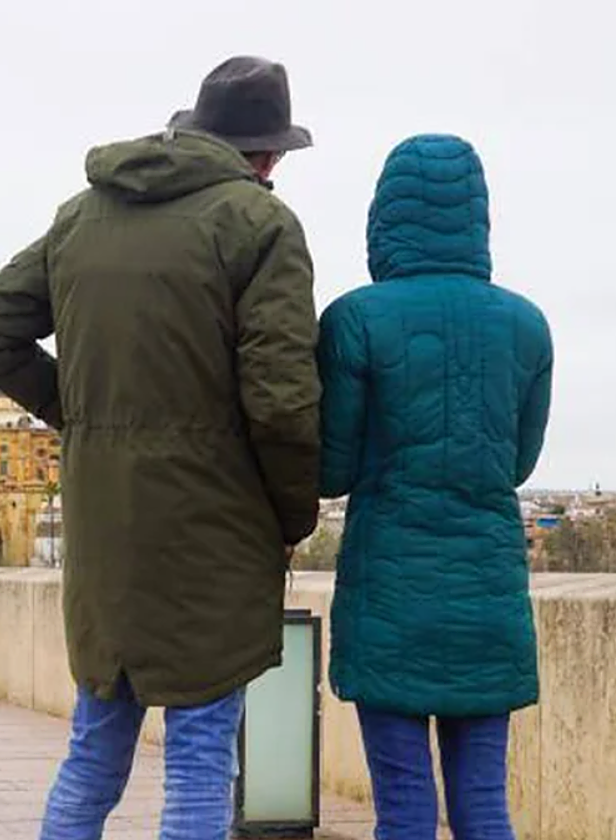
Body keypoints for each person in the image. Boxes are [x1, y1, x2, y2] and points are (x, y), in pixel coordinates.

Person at [0, 55, 320, 839]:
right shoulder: (259, 224)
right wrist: (294, 513)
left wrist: (82, 415)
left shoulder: (81, 215)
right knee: (197, 762)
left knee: (92, 756)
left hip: (103, 536)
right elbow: (283, 400)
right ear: (267, 156)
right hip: (213, 536)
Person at [318, 135, 553, 840]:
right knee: (484, 803)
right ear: (479, 217)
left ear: (382, 218)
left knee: (405, 806)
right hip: (489, 595)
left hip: (390, 595)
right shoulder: (527, 324)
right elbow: (518, 465)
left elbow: (333, 470)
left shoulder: (356, 317)